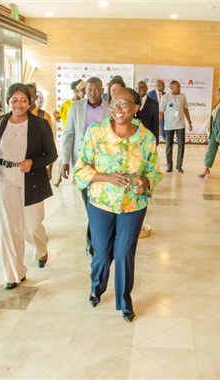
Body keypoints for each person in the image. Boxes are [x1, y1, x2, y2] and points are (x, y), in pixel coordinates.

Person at [73, 88, 163, 323]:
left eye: (125, 104)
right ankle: (96, 287)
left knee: (124, 253)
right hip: (101, 203)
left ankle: (125, 301)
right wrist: (106, 177)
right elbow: (80, 168)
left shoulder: (147, 138)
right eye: (114, 103)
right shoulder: (96, 132)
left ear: (136, 107)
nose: (118, 108)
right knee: (102, 253)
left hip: (133, 204)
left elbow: (154, 171)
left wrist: (146, 182)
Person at [0, 83, 57, 290]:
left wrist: (32, 163)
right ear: (8, 101)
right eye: (14, 100)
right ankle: (14, 274)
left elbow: (52, 154)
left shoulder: (40, 124)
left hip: (31, 178)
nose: (19, 105)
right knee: (10, 229)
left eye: (23, 100)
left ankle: (41, 247)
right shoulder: (0, 122)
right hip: (4, 177)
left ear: (30, 102)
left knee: (32, 226)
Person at [61, 77, 110, 258]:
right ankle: (94, 242)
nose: (93, 93)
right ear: (84, 91)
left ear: (102, 90)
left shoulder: (110, 107)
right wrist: (65, 160)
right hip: (83, 163)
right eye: (89, 90)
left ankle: (94, 244)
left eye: (97, 90)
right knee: (89, 203)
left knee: (99, 203)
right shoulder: (76, 107)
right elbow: (69, 134)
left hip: (105, 165)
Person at [53, 79, 86, 187]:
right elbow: (59, 117)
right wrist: (56, 116)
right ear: (76, 91)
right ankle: (59, 178)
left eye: (85, 90)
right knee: (65, 155)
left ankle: (75, 177)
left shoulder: (84, 104)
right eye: (82, 90)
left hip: (80, 135)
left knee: (78, 156)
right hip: (68, 135)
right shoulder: (66, 104)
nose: (84, 92)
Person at [198, 86, 220, 178]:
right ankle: (206, 168)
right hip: (214, 132)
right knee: (210, 150)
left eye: (218, 94)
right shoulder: (217, 105)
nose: (216, 96)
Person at [159, 80, 192, 173]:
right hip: (169, 125)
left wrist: (189, 122)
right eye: (177, 87)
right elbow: (160, 112)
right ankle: (169, 166)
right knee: (169, 146)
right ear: (171, 88)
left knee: (181, 145)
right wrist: (159, 126)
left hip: (180, 124)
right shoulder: (165, 97)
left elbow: (185, 109)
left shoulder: (182, 96)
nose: (179, 88)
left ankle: (179, 166)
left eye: (180, 87)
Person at [26, 83, 55, 180]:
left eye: (31, 96)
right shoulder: (17, 117)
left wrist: (50, 167)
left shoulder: (43, 117)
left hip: (38, 166)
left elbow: (50, 145)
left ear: (36, 97)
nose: (28, 99)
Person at [137, 81, 159, 145]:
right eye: (139, 87)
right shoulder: (131, 102)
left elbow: (155, 124)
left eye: (144, 87)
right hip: (134, 139)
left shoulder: (154, 104)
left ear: (147, 89)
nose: (142, 89)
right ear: (136, 89)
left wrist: (155, 141)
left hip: (148, 139)